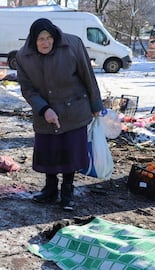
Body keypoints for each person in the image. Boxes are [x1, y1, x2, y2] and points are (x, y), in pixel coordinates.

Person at [15, 18, 103, 210]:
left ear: (54, 36)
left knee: (70, 152)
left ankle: (68, 192)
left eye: (49, 38)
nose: (45, 43)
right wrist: (44, 109)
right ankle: (50, 189)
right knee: (49, 152)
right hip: (44, 113)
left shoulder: (73, 45)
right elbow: (27, 89)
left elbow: (88, 75)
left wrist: (96, 104)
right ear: (33, 40)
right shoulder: (23, 56)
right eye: (40, 39)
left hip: (74, 109)